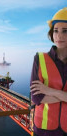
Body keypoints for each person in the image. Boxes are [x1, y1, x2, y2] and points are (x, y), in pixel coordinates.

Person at [30, 7, 67, 136]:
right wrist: (64, 96)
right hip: (44, 130)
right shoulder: (39, 59)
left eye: (65, 31)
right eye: (56, 31)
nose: (59, 35)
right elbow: (36, 97)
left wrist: (50, 91)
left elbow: (43, 96)